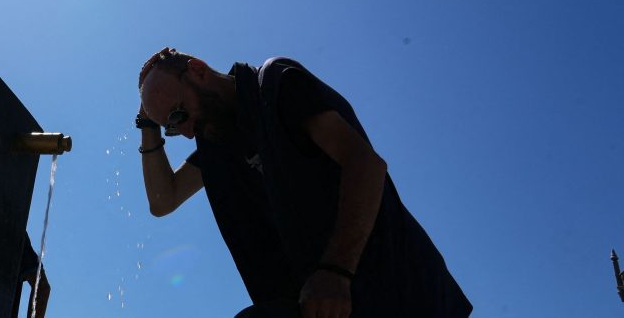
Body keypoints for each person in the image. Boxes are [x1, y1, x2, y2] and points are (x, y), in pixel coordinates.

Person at [135, 48, 472, 318]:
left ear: (198, 70)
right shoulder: (218, 142)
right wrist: (147, 124)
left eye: (179, 114)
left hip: (398, 290)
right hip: (322, 303)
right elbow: (164, 200)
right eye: (173, 129)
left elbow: (365, 164)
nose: (187, 132)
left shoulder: (274, 87)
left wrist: (336, 270)